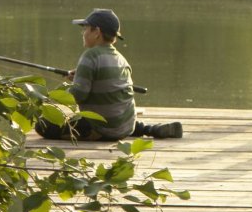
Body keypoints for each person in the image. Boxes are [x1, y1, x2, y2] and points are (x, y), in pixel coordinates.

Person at [34, 9, 183, 141]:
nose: (82, 32)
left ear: (97, 32)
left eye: (85, 28)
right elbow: (105, 85)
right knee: (115, 115)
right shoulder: (121, 59)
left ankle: (120, 131)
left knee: (42, 125)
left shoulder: (90, 56)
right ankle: (149, 129)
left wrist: (51, 96)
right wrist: (82, 77)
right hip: (125, 127)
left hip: (100, 129)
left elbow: (78, 95)